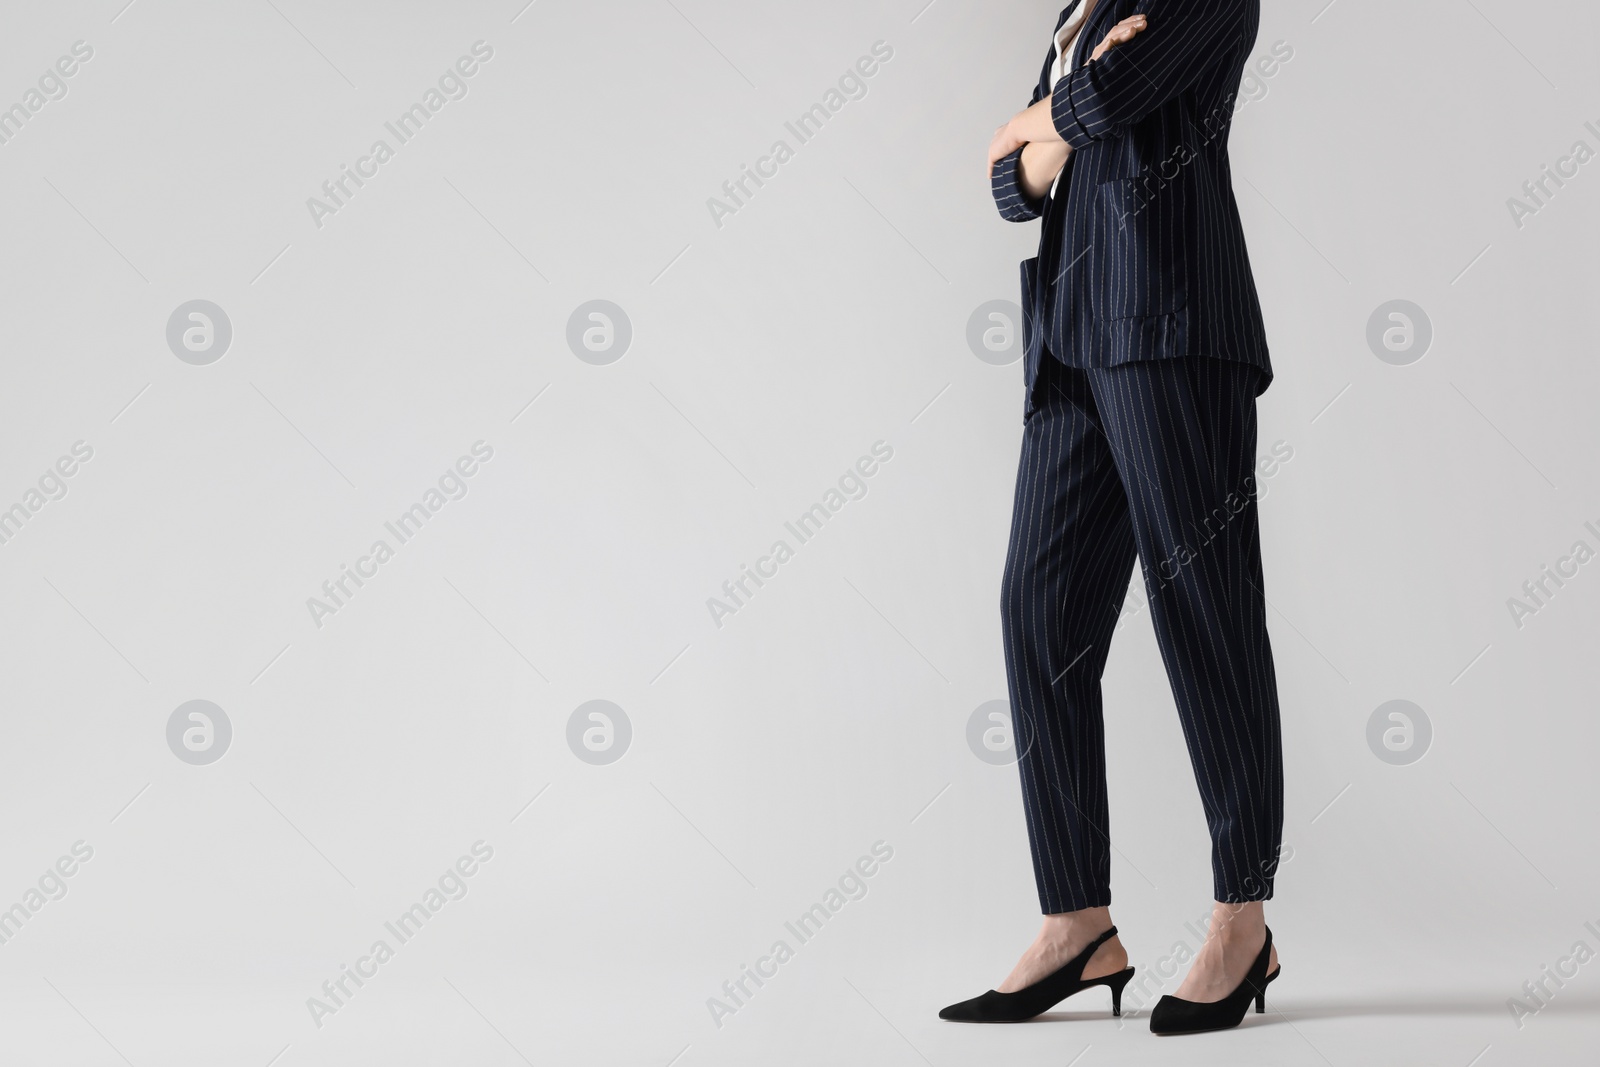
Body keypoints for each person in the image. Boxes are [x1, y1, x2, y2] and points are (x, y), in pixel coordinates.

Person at [940, 0, 1285, 1035]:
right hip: (1070, 336)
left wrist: (1038, 118)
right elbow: (1012, 186)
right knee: (1038, 613)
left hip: (1172, 319)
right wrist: (1042, 126)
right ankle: (1078, 922)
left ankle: (1242, 917)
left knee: (1206, 617)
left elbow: (1110, 101)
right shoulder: (1082, 9)